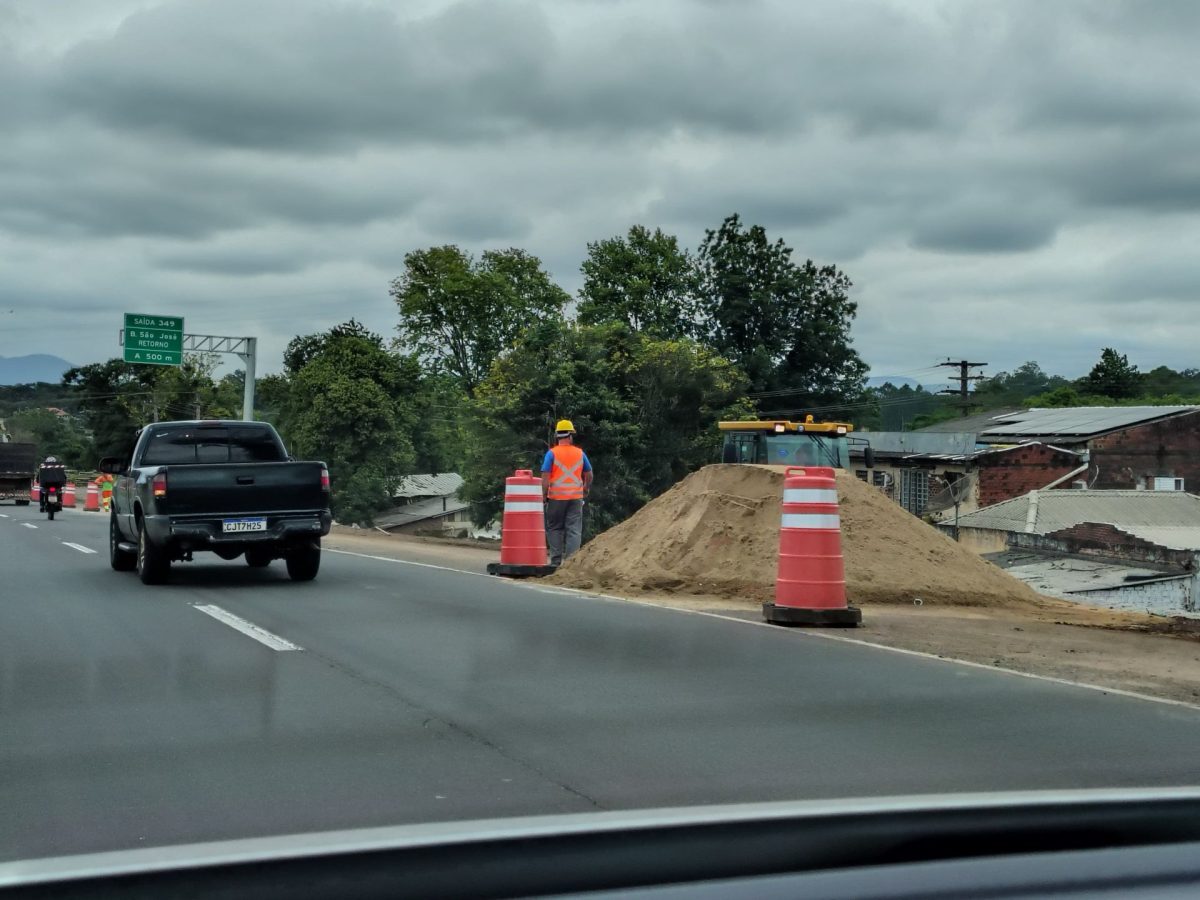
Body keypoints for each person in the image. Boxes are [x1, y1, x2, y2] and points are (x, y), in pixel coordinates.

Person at [541, 419, 593, 567]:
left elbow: (545, 477)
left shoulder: (551, 454)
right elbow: (589, 474)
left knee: (555, 528)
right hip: (576, 498)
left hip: (556, 498)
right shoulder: (580, 453)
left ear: (557, 436)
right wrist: (585, 489)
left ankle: (555, 563)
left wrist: (544, 496)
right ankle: (571, 565)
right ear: (570, 436)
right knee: (574, 530)